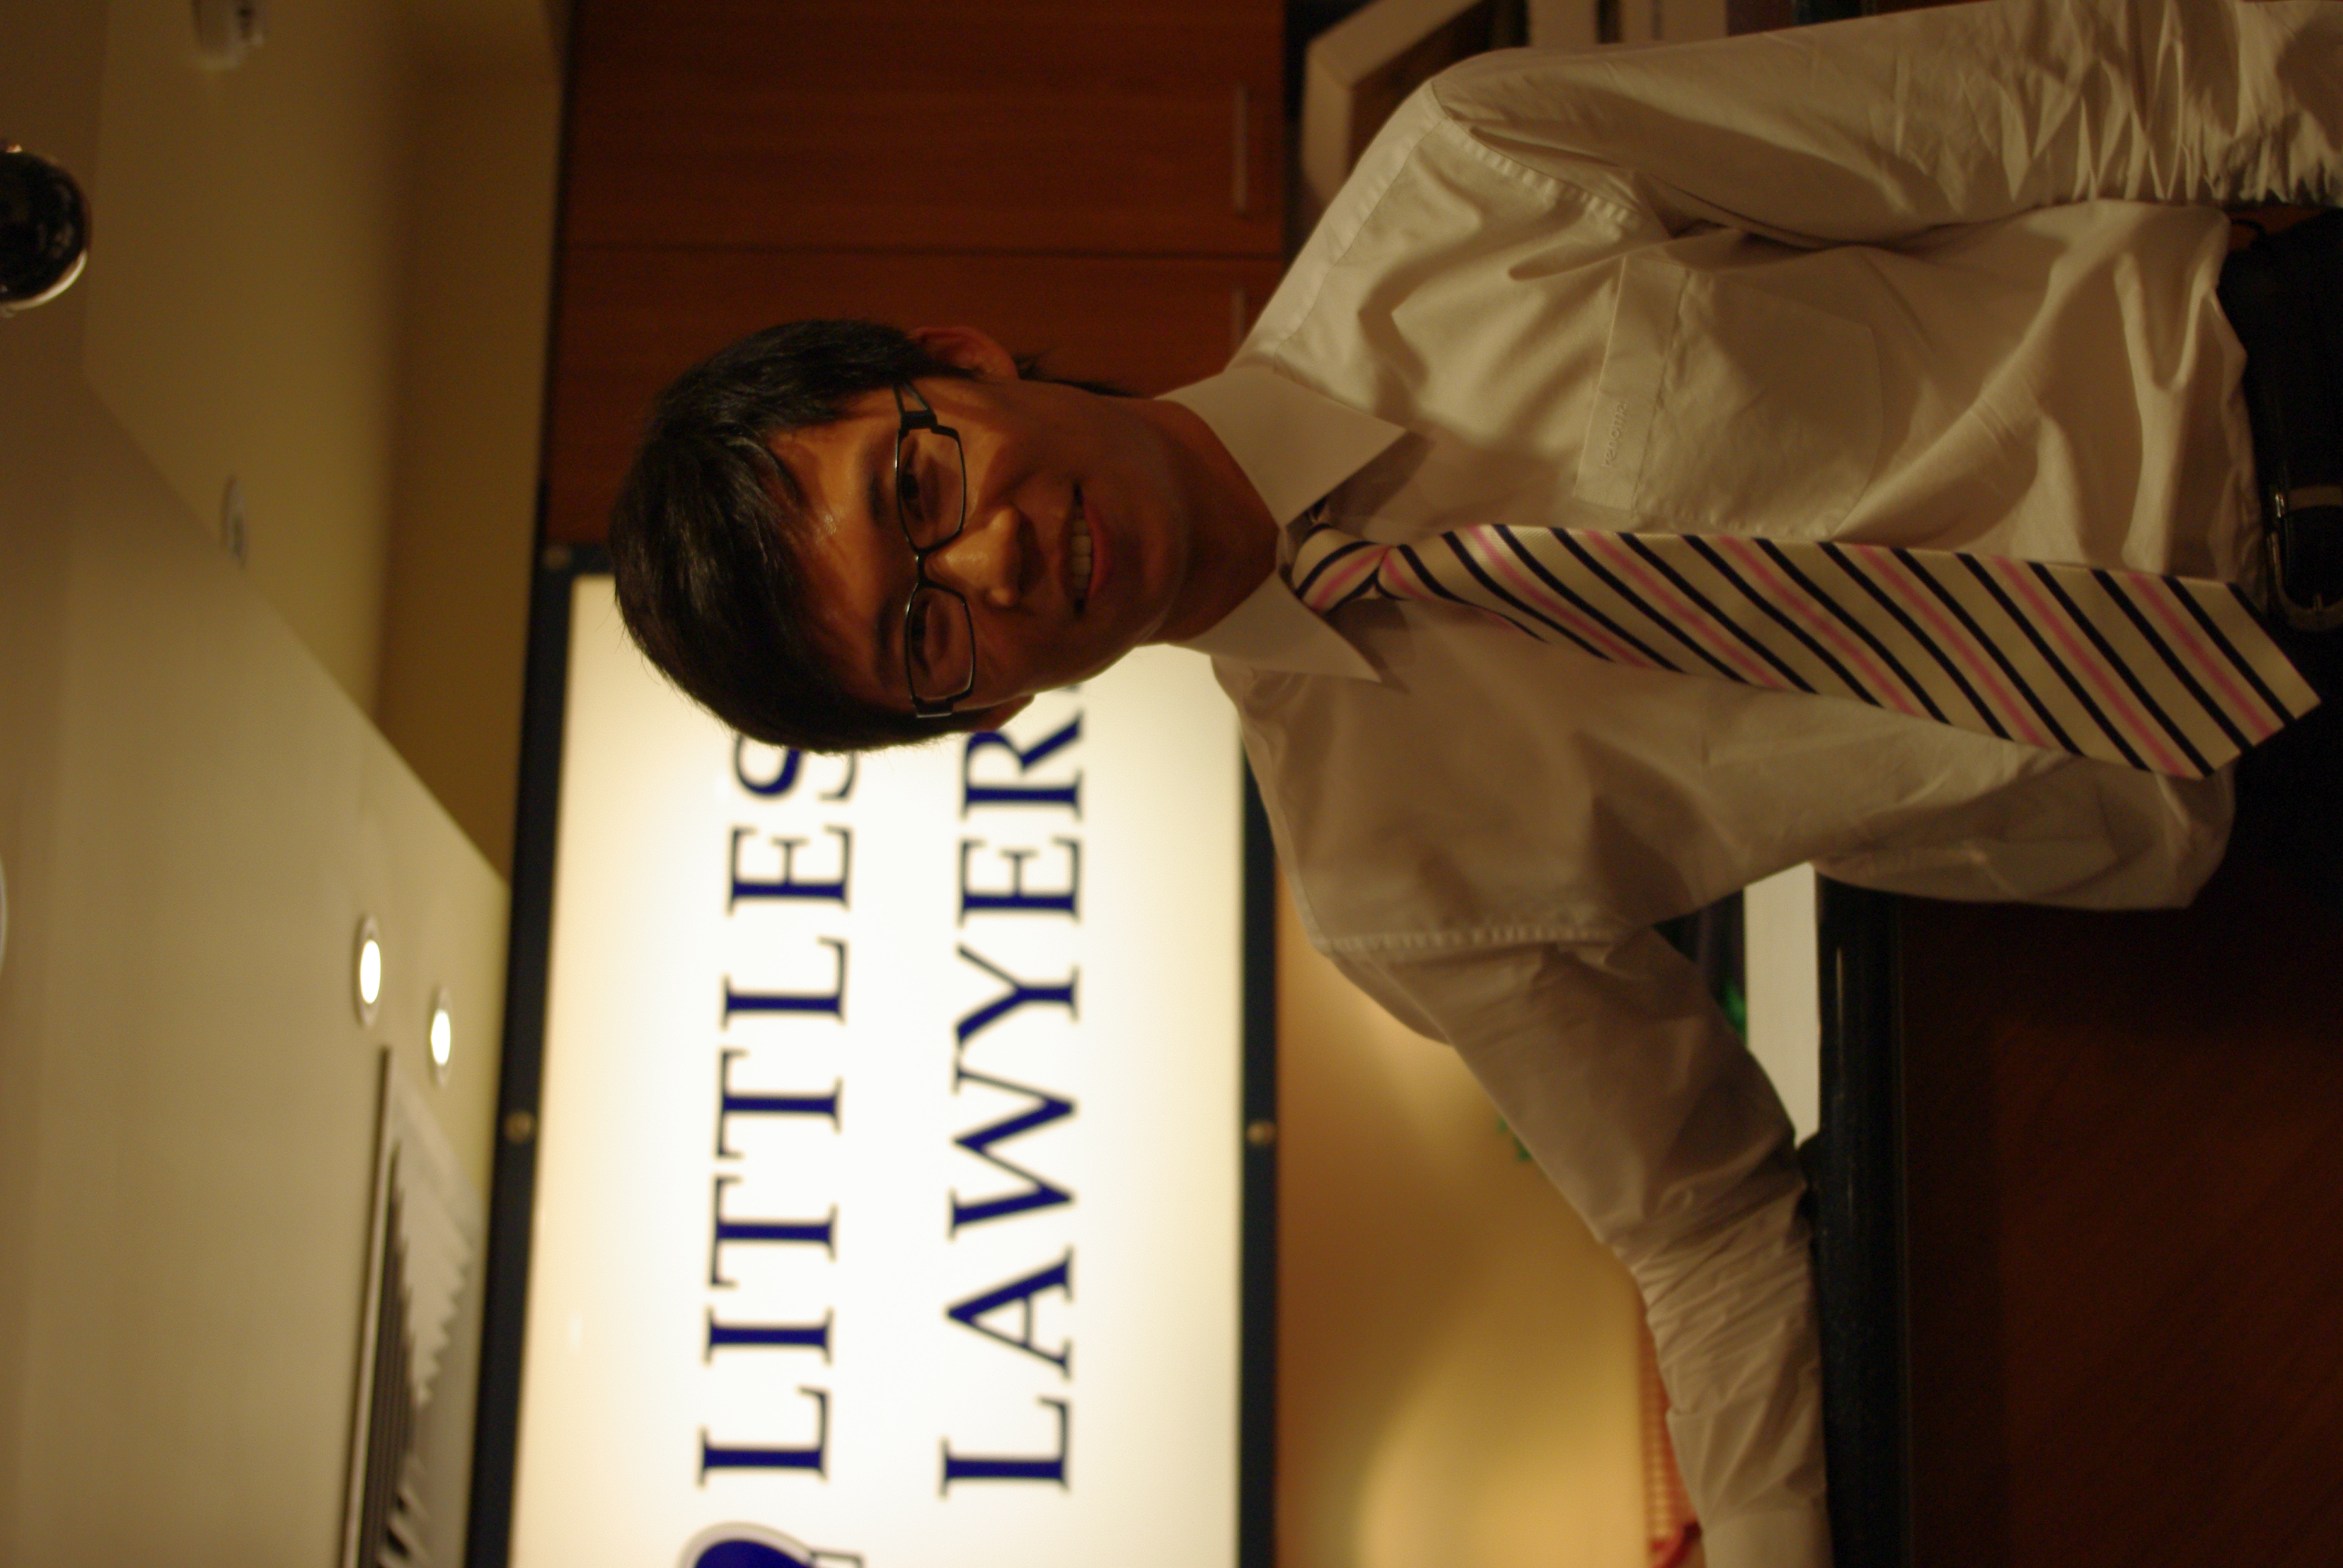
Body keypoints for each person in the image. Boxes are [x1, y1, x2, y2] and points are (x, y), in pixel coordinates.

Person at [607, 2, 2343, 1563]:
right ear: (981, 710)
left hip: (2291, 379)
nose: (993, 560)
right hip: (2278, 780)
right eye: (927, 634)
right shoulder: (1393, 884)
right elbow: (1702, 1220)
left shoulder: (1475, 176)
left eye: (917, 487)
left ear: (960, 360)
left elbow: (2070, 92)